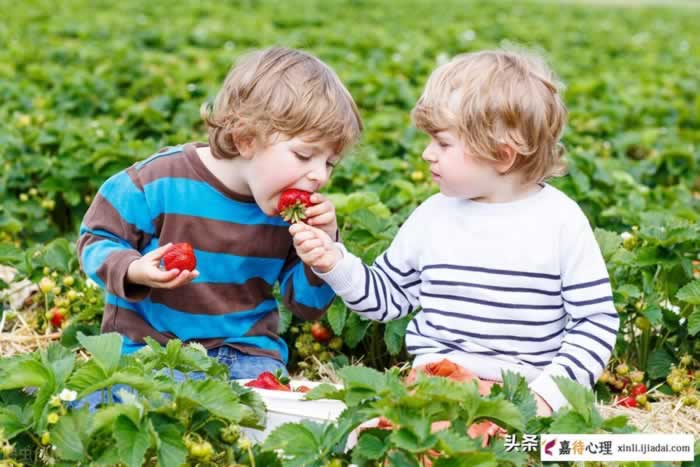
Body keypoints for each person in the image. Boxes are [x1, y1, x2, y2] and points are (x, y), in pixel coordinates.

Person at [290, 48, 618, 415]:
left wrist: (548, 396)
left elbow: (595, 321)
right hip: (437, 383)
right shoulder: (433, 216)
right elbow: (387, 299)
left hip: (524, 394)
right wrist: (334, 260)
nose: (428, 154)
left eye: (443, 143)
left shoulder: (560, 221)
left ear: (502, 155)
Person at [77, 47, 363, 393]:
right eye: (304, 155)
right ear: (245, 139)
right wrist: (134, 270)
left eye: (329, 163)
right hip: (154, 350)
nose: (318, 176)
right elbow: (96, 238)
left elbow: (307, 306)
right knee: (122, 400)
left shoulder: (292, 218)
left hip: (247, 354)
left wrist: (325, 250)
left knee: (269, 415)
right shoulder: (157, 182)